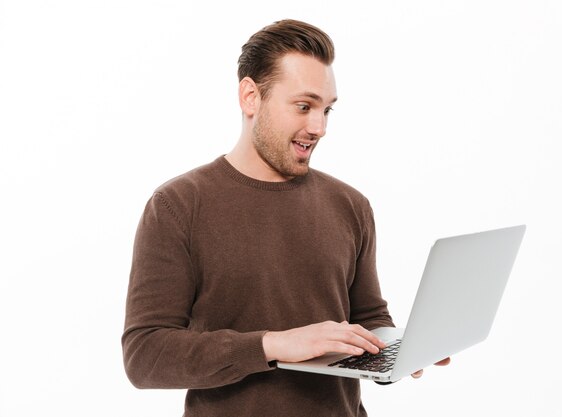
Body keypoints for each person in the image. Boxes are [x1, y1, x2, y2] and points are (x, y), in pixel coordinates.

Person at [122, 18, 449, 417]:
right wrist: (272, 345)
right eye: (303, 106)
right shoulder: (178, 205)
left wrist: (401, 350)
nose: (319, 127)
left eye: (327, 109)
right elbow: (145, 355)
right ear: (250, 97)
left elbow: (368, 318)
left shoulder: (351, 205)